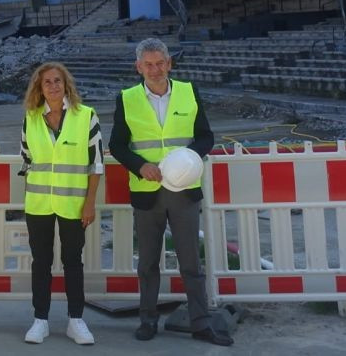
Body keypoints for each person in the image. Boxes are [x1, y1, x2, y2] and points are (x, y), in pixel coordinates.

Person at [108, 38, 233, 347]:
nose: (155, 69)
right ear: (138, 68)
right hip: (147, 191)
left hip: (184, 191)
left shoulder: (189, 93)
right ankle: (148, 319)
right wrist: (140, 166)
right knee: (148, 262)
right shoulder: (127, 98)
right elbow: (118, 145)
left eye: (160, 63)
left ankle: (201, 322)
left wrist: (187, 160)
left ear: (169, 64)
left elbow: (205, 137)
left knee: (191, 262)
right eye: (148, 64)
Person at [20, 62, 102, 346]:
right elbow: (27, 158)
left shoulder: (86, 116)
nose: (53, 86)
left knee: (72, 262)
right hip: (39, 204)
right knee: (40, 262)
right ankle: (40, 320)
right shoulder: (30, 118)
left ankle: (75, 320)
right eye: (47, 83)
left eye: (57, 81)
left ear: (66, 84)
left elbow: (96, 165)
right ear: (39, 88)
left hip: (74, 204)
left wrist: (89, 204)